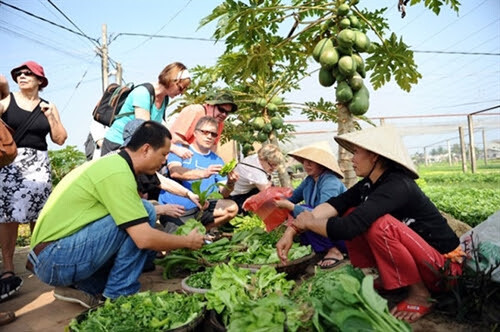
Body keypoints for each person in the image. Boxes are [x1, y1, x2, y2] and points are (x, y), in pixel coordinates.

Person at [276, 125, 463, 323]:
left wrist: (309, 224)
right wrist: (293, 229)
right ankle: (388, 277)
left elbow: (348, 228)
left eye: (356, 152)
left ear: (374, 156)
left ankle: (420, 295)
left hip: (443, 270)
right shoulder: (369, 183)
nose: (351, 159)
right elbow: (335, 205)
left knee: (381, 225)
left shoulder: (397, 184)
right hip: (423, 263)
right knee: (351, 211)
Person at [27, 121, 205, 308]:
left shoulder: (113, 164)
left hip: (52, 257)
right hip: (54, 258)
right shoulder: (117, 172)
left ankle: (82, 287)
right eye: (163, 154)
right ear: (146, 149)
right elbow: (143, 238)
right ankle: (120, 294)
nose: (164, 161)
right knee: (145, 211)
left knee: (140, 213)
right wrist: (187, 242)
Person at [0, 62, 67, 300]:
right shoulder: (7, 101)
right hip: (11, 164)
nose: (22, 76)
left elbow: (59, 138)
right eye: (19, 73)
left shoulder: (48, 106)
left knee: (39, 216)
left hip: (39, 164)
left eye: (28, 73)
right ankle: (8, 267)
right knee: (8, 217)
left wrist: (51, 118)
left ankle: (38, 262)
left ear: (40, 80)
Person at [158, 116, 239, 232]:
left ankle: (202, 231)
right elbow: (175, 172)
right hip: (177, 209)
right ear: (195, 133)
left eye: (213, 134)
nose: (209, 136)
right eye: (205, 132)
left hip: (202, 208)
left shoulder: (217, 160)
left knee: (231, 207)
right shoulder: (181, 150)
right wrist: (203, 173)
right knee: (178, 245)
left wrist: (230, 184)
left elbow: (223, 193)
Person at [274, 141, 347, 269]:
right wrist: (274, 198)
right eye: (304, 161)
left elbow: (323, 213)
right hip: (324, 230)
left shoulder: (331, 181)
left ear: (321, 164)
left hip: (340, 232)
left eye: (311, 162)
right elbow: (292, 198)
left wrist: (290, 206)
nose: (306, 165)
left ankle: (334, 251)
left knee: (306, 212)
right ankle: (320, 247)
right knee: (300, 211)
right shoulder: (309, 181)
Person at [100, 62, 191, 155]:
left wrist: (181, 141)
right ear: (171, 80)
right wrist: (173, 148)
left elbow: (161, 127)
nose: (181, 93)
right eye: (180, 88)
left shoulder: (164, 99)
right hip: (117, 143)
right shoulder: (142, 93)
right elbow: (146, 130)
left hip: (133, 146)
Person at [168, 90, 238, 159]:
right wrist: (194, 155)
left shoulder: (219, 123)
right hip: (173, 157)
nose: (224, 115)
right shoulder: (194, 111)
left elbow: (213, 146)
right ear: (210, 105)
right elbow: (175, 138)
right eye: (221, 110)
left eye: (227, 113)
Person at [230, 144, 283, 214]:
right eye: (271, 165)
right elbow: (269, 192)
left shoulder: (255, 159)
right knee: (272, 198)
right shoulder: (255, 172)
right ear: (262, 159)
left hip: (242, 191)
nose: (273, 168)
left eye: (276, 165)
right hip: (235, 198)